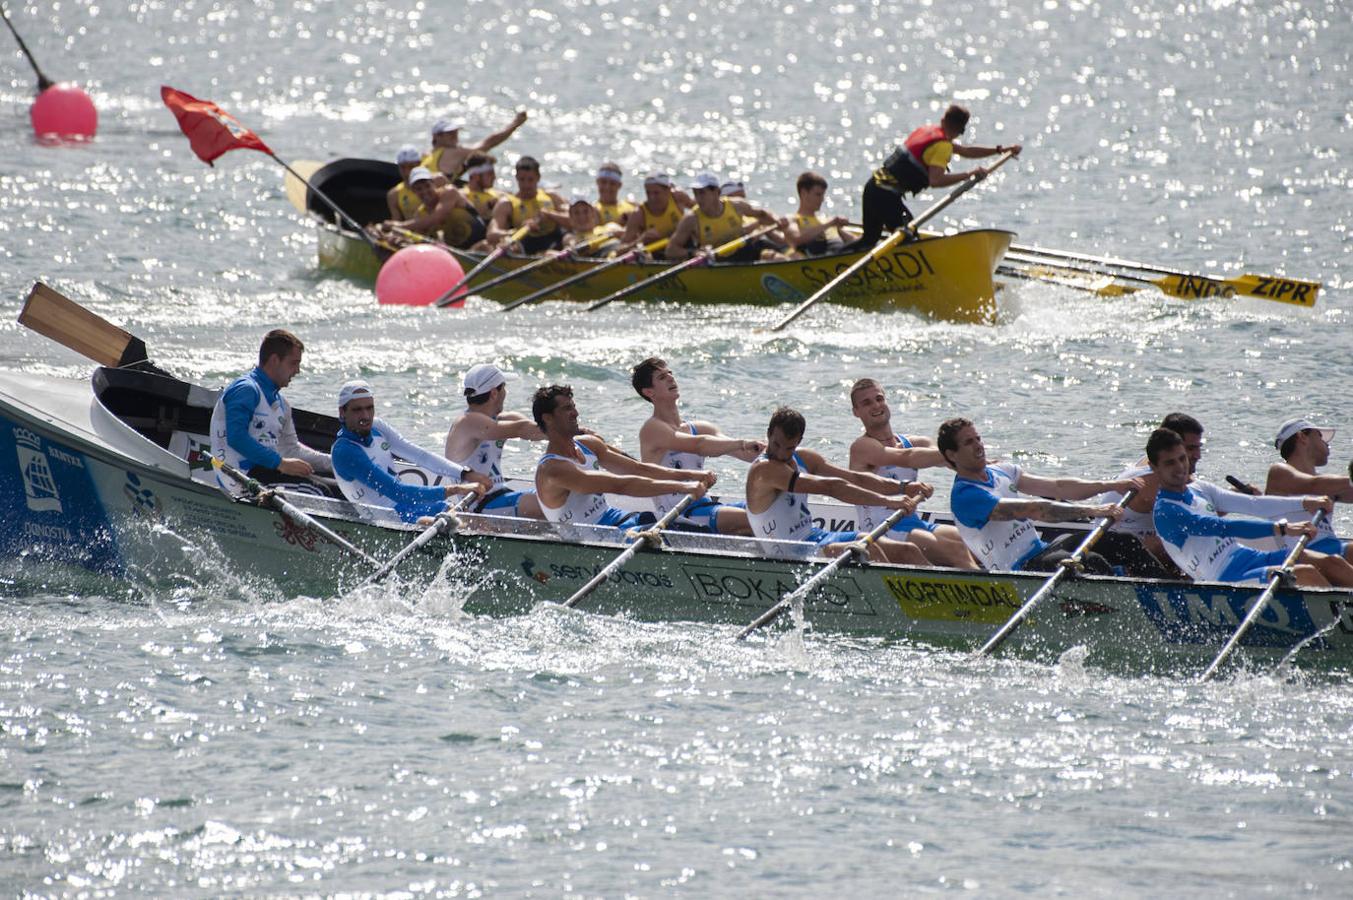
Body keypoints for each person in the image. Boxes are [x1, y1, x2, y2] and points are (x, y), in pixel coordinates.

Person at [1148, 428, 1353, 586]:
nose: (1180, 468)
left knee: (1329, 562)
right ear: (1153, 467)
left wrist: (1304, 502)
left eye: (1182, 458)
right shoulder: (1166, 511)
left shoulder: (1200, 489)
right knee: (1304, 573)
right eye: (1170, 463)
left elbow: (1254, 504)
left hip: (1249, 557)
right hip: (1226, 579)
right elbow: (1223, 527)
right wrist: (1281, 528)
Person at [936, 417, 1139, 573]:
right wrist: (1094, 511)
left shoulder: (1002, 471)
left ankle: (1162, 594)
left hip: (1042, 550)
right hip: (1020, 570)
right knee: (1091, 561)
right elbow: (1034, 510)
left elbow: (1059, 487)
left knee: (1123, 542)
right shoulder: (966, 496)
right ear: (952, 455)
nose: (978, 445)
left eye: (978, 438)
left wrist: (1112, 485)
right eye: (968, 442)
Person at [746, 407, 929, 563]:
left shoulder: (805, 457)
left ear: (798, 441)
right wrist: (888, 502)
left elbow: (854, 478)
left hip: (815, 537)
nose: (780, 453)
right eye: (776, 444)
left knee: (907, 551)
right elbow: (831, 487)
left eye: (789, 448)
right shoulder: (763, 470)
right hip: (790, 552)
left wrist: (902, 487)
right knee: (870, 550)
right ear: (769, 433)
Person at [533, 384, 714, 531]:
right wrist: (683, 487)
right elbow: (620, 485)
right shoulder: (553, 469)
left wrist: (694, 475)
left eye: (573, 407)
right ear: (548, 418)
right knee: (679, 535)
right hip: (591, 537)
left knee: (694, 529)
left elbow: (639, 469)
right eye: (567, 409)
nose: (576, 413)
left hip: (616, 519)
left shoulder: (588, 444)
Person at [845, 104, 1021, 252]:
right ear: (961, 130)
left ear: (943, 120)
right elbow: (935, 181)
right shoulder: (942, 145)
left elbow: (966, 151)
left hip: (872, 188)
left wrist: (1000, 150)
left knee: (867, 241)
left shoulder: (929, 130)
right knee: (909, 240)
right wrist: (968, 174)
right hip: (885, 196)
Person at [847, 379, 976, 568]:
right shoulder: (861, 447)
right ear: (856, 412)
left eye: (879, 399)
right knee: (954, 551)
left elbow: (948, 460)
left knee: (971, 542)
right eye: (866, 403)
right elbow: (905, 457)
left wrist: (977, 462)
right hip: (883, 530)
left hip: (912, 521)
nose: (876, 405)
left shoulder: (915, 442)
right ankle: (993, 593)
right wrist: (956, 453)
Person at [632, 357, 764, 535]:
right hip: (679, 516)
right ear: (649, 392)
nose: (671, 378)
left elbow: (743, 452)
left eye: (670, 373)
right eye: (662, 378)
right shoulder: (652, 429)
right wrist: (742, 442)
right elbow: (699, 445)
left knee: (771, 509)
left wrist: (776, 453)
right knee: (760, 521)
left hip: (705, 506)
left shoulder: (699, 428)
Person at [330, 381, 488, 523]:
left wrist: (464, 474)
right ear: (342, 412)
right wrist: (457, 489)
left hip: (409, 506)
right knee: (454, 523)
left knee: (473, 521)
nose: (365, 416)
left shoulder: (377, 427)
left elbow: (420, 456)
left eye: (369, 408)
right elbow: (398, 492)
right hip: (388, 520)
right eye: (357, 410)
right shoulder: (345, 451)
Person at [209, 329, 334, 497]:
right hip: (239, 478)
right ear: (275, 360)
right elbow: (236, 437)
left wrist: (333, 463)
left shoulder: (283, 405)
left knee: (336, 489)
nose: (297, 371)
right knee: (316, 491)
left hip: (266, 472)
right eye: (293, 363)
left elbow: (291, 450)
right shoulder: (245, 389)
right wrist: (280, 463)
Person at [1099, 412, 1206, 568]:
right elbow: (1200, 516)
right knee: (1180, 537)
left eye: (1198, 448)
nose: (1198, 455)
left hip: (1140, 541)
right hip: (1114, 551)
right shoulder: (1152, 480)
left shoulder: (1160, 463)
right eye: (1191, 448)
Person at [444, 364, 547, 519]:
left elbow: (534, 430)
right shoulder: (466, 422)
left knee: (555, 498)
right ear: (494, 393)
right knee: (550, 507)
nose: (506, 392)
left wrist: (578, 434)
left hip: (500, 497)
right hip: (478, 506)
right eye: (504, 388)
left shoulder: (499, 420)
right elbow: (521, 429)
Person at [1264, 417, 1353, 561]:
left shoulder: (1330, 485)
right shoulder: (1278, 472)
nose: (1327, 444)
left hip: (1332, 548)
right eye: (1320, 436)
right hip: (1301, 552)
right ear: (1302, 436)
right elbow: (1312, 485)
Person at [664, 173, 782, 262]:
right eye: (696, 193)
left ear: (717, 192)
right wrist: (694, 253)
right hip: (716, 260)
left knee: (775, 255)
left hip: (744, 251)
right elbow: (671, 250)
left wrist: (778, 221)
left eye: (702, 193)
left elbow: (763, 215)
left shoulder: (737, 205)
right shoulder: (691, 219)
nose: (698, 199)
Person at [378, 166, 485, 249]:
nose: (424, 191)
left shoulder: (449, 192)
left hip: (480, 246)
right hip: (458, 252)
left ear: (433, 184)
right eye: (419, 189)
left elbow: (435, 218)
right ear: (413, 192)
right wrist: (393, 238)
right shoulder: (420, 214)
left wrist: (399, 226)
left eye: (427, 186)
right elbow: (416, 240)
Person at [485, 156, 567, 254]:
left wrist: (551, 215)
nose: (526, 185)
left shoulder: (552, 196)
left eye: (530, 180)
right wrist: (517, 231)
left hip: (554, 241)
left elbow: (573, 221)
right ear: (516, 178)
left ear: (538, 177)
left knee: (571, 239)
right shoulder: (506, 203)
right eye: (522, 179)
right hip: (525, 245)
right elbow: (491, 235)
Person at [424, 111, 528, 180]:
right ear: (437, 136)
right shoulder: (454, 152)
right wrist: (515, 124)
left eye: (456, 132)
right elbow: (487, 144)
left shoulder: (426, 155)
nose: (455, 136)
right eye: (450, 133)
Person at [784, 171, 854, 257]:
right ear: (804, 193)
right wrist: (829, 224)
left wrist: (839, 227)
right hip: (818, 258)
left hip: (840, 254)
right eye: (818, 195)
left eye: (823, 195)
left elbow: (853, 240)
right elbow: (796, 239)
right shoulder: (792, 219)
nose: (822, 199)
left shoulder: (826, 220)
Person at [620, 173, 691, 249]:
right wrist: (640, 240)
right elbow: (620, 250)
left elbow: (700, 211)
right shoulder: (639, 214)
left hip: (681, 246)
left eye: (656, 193)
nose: (652, 198)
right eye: (648, 193)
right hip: (655, 252)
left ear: (668, 191)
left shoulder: (678, 197)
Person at [386, 145, 438, 220]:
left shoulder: (438, 181)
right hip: (413, 230)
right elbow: (397, 221)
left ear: (419, 164)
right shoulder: (393, 195)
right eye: (403, 167)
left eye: (411, 167)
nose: (407, 173)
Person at [460, 151, 503, 220]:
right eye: (490, 174)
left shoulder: (498, 194)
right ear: (476, 176)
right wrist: (489, 205)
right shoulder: (461, 195)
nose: (494, 177)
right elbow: (466, 219)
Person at [594, 162, 637, 226]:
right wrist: (618, 224)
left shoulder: (632, 208)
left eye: (612, 183)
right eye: (603, 182)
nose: (607, 187)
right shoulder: (590, 211)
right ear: (597, 182)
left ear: (619, 185)